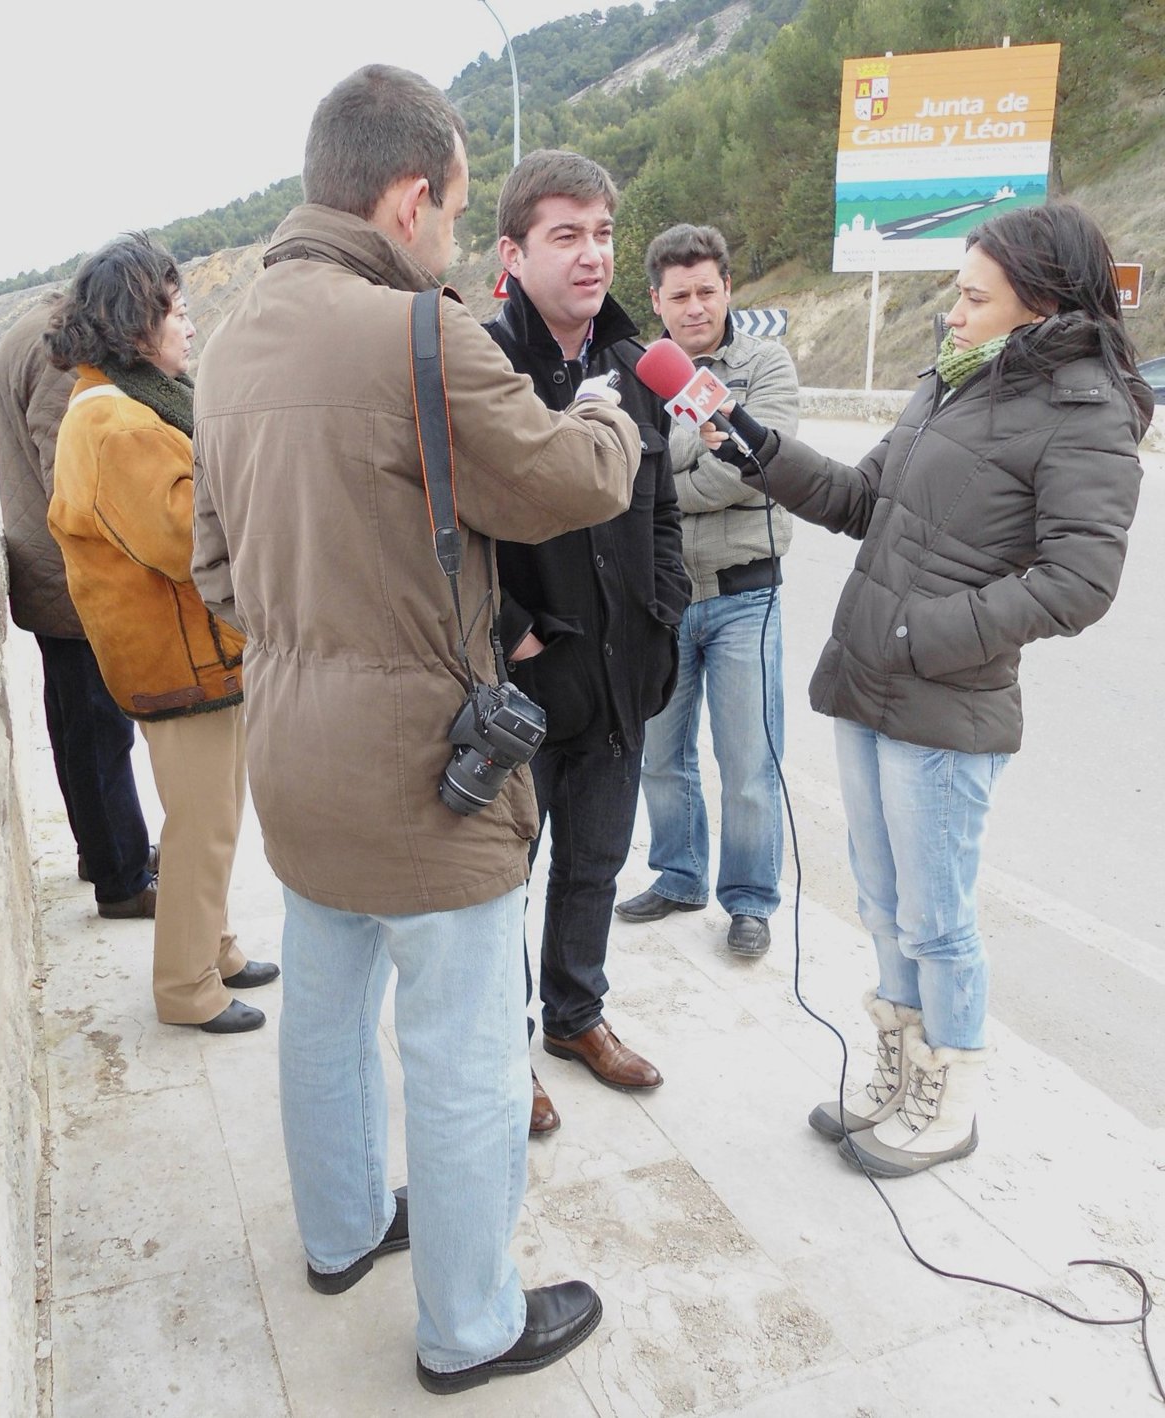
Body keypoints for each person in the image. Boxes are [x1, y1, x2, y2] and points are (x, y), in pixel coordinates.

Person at [188, 67, 645, 1394]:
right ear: (408, 199)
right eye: (451, 208)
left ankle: (341, 1232)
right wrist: (607, 412)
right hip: (424, 764)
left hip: (292, 743)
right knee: (464, 1055)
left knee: (326, 1014)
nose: (450, 235)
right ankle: (469, 1324)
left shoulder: (231, 342)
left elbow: (214, 568)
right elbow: (566, 480)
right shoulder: (416, 333)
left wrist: (321, 627)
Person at [699, 201, 1151, 1177]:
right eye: (957, 290)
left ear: (1042, 304)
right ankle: (901, 1071)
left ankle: (950, 1099)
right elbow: (862, 500)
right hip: (871, 684)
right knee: (882, 901)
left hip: (946, 703)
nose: (954, 310)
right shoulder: (955, 378)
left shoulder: (1087, 409)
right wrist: (758, 449)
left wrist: (922, 633)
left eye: (974, 297)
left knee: (937, 920)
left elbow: (1080, 582)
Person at [486, 151, 690, 1135]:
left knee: (596, 863)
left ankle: (576, 1016)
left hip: (622, 675)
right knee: (501, 885)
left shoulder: (638, 365)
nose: (592, 255)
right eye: (565, 235)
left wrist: (666, 603)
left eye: (603, 233)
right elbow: (445, 532)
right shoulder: (485, 367)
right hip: (525, 685)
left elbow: (663, 507)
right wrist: (512, 633)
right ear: (512, 252)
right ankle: (503, 1047)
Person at [46, 234, 277, 1035]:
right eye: (175, 311)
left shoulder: (127, 400)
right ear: (132, 322)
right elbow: (185, 539)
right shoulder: (117, 421)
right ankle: (187, 986)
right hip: (180, 656)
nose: (190, 324)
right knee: (203, 824)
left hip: (194, 651)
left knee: (213, 814)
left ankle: (215, 946)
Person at [616, 223, 799, 958]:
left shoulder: (765, 365)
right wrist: (695, 455)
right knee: (661, 756)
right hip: (662, 598)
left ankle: (749, 900)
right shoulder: (632, 372)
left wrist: (661, 484)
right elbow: (617, 470)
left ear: (728, 289)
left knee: (749, 763)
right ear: (656, 300)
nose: (695, 307)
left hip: (744, 595)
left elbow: (754, 467)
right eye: (679, 295)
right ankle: (679, 874)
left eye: (707, 291)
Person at [0, 298, 157, 919]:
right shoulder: (59, 348)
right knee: (98, 731)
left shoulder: (35, 331)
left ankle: (105, 851)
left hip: (48, 570)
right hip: (70, 577)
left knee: (77, 727)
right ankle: (122, 877)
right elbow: (71, 476)